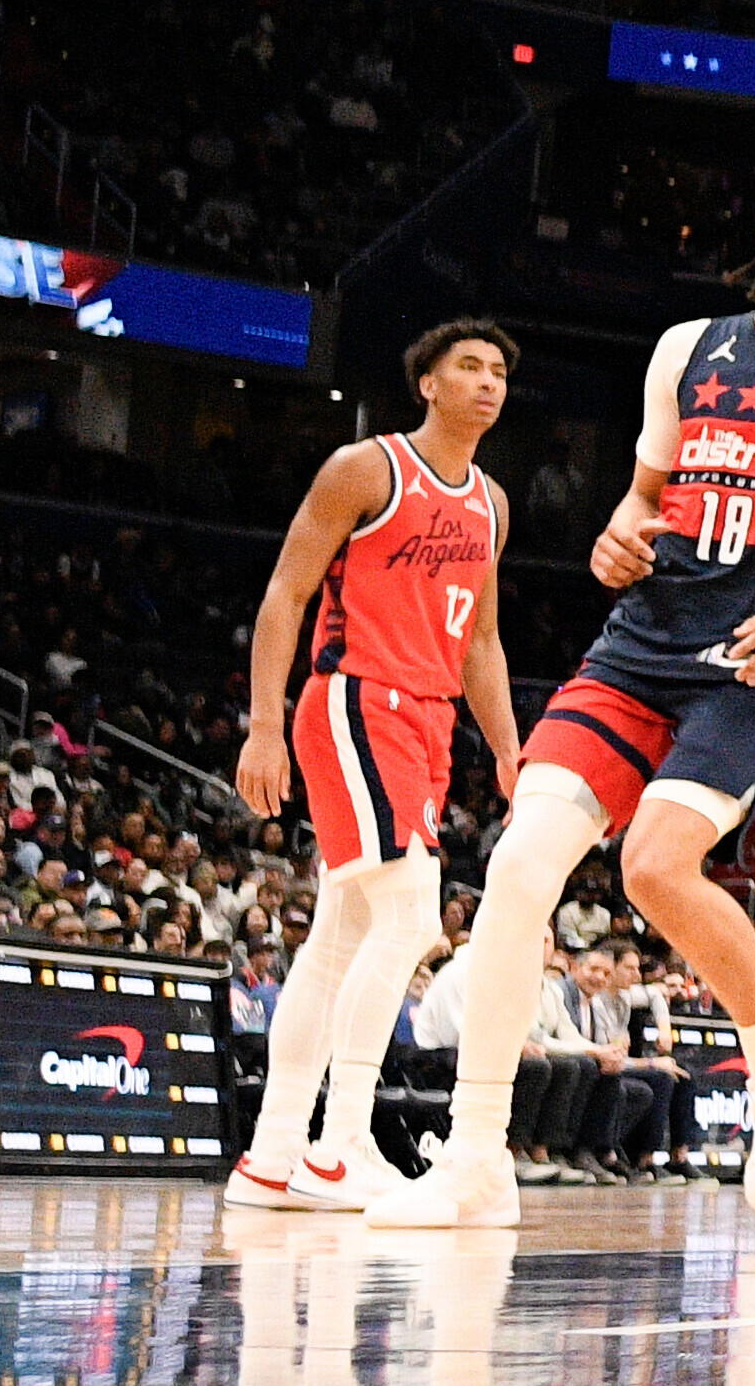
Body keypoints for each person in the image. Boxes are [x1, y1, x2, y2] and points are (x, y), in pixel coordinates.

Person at [372, 173, 755, 1224]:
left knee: (653, 866)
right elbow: (645, 495)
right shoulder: (689, 347)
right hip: (643, 641)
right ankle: (475, 1154)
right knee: (515, 869)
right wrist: (617, 532)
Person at [227, 317, 523, 1210]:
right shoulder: (367, 467)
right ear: (426, 381)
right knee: (410, 913)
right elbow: (285, 592)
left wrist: (511, 748)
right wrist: (263, 724)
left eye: (499, 370)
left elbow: (481, 642)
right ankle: (339, 1143)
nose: (487, 381)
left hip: (426, 719)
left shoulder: (491, 502)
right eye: (467, 365)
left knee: (340, 938)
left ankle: (273, 1156)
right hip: (357, 696)